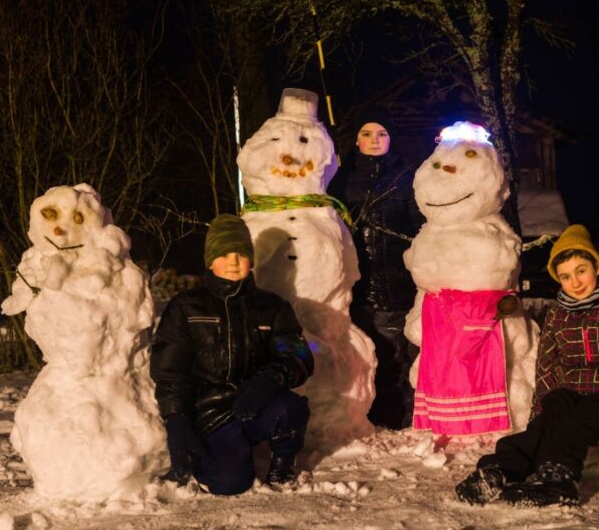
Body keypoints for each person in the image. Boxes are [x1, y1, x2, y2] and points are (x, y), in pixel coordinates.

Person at [454, 224, 599, 507]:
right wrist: (537, 416)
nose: (576, 282)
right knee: (541, 428)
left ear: (596, 267)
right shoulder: (557, 316)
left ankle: (558, 479)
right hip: (565, 394)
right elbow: (546, 372)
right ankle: (497, 472)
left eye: (581, 270)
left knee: (571, 426)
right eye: (566, 276)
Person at [150, 214, 314, 495]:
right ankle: (224, 456)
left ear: (251, 259)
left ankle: (282, 461)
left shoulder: (272, 307)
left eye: (240, 253)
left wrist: (270, 379)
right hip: (211, 412)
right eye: (223, 254)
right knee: (229, 483)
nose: (233, 261)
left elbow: (300, 355)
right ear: (210, 260)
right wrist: (176, 418)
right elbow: (170, 370)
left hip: (256, 404)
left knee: (290, 407)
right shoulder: (187, 307)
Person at [329, 106, 423, 430]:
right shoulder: (340, 181)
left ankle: (400, 418)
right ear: (356, 140)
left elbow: (419, 226)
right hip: (357, 288)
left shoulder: (404, 178)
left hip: (398, 285)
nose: (374, 140)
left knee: (398, 355)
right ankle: (367, 417)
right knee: (364, 355)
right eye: (367, 134)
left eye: (381, 134)